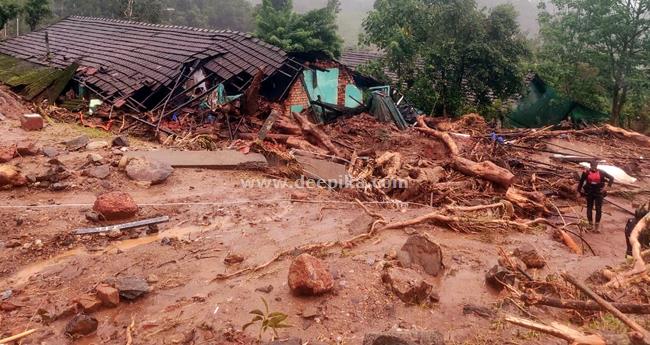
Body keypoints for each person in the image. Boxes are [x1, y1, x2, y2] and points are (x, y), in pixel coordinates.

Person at [577, 160, 614, 232]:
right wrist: (579, 191)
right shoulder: (588, 173)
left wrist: (606, 188)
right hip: (593, 192)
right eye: (593, 166)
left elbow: (611, 178)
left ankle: (594, 226)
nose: (594, 167)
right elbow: (581, 182)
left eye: (594, 166)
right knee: (592, 208)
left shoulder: (594, 172)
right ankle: (592, 225)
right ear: (591, 166)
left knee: (595, 208)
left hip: (596, 192)